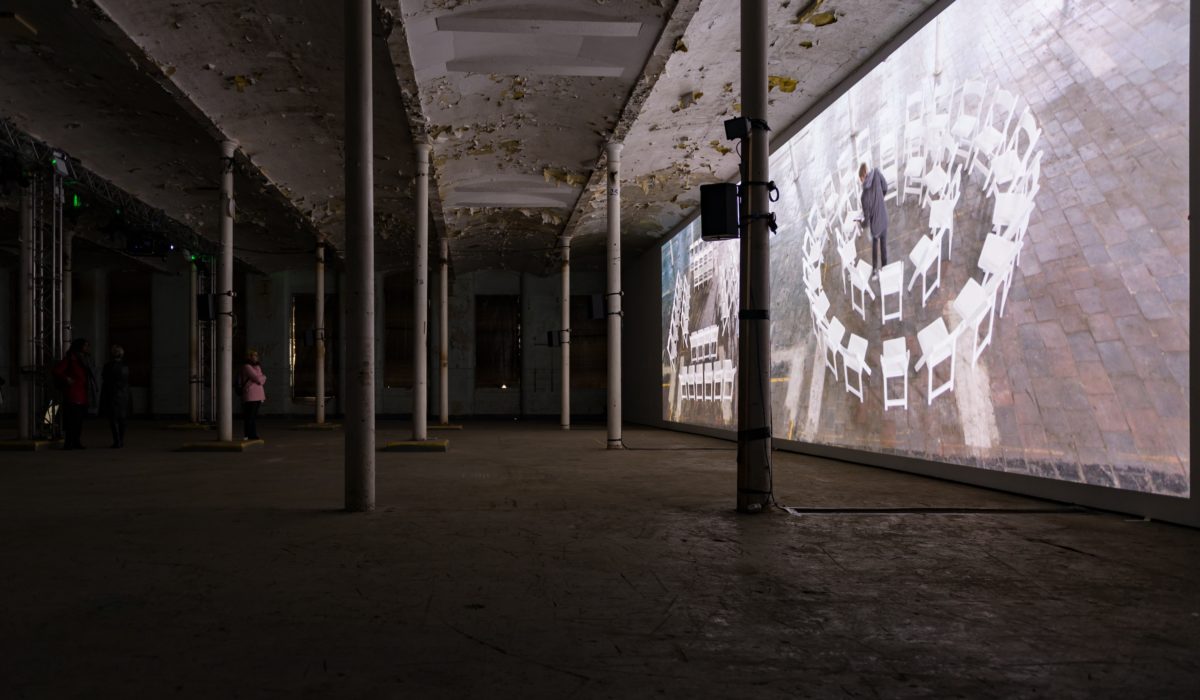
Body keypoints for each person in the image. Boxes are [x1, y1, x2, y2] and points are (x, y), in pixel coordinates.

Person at [52, 338, 97, 449]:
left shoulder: (86, 359)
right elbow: (57, 370)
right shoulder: (71, 358)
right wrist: (67, 378)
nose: (87, 348)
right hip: (73, 394)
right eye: (85, 345)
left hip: (83, 394)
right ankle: (69, 443)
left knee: (79, 421)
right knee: (71, 420)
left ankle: (76, 442)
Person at [858, 162, 890, 279]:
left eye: (860, 179)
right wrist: (880, 199)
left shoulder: (864, 196)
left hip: (875, 226)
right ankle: (885, 270)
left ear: (862, 177)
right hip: (884, 218)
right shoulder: (876, 173)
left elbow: (866, 221)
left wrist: (860, 223)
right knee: (884, 246)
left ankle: (875, 270)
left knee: (875, 246)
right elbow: (885, 187)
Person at [100, 344, 130, 448]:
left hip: (112, 394)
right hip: (124, 395)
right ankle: (120, 440)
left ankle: (117, 441)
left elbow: (105, 379)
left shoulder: (108, 366)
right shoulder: (125, 366)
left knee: (114, 419)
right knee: (122, 419)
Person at [240, 350, 266, 441]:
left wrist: (261, 377)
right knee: (249, 416)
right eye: (254, 355)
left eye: (256, 355)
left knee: (253, 417)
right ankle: (248, 435)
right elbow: (258, 379)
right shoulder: (247, 367)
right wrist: (261, 377)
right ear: (249, 356)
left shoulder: (257, 366)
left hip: (258, 395)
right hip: (250, 395)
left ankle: (252, 434)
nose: (256, 357)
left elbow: (262, 378)